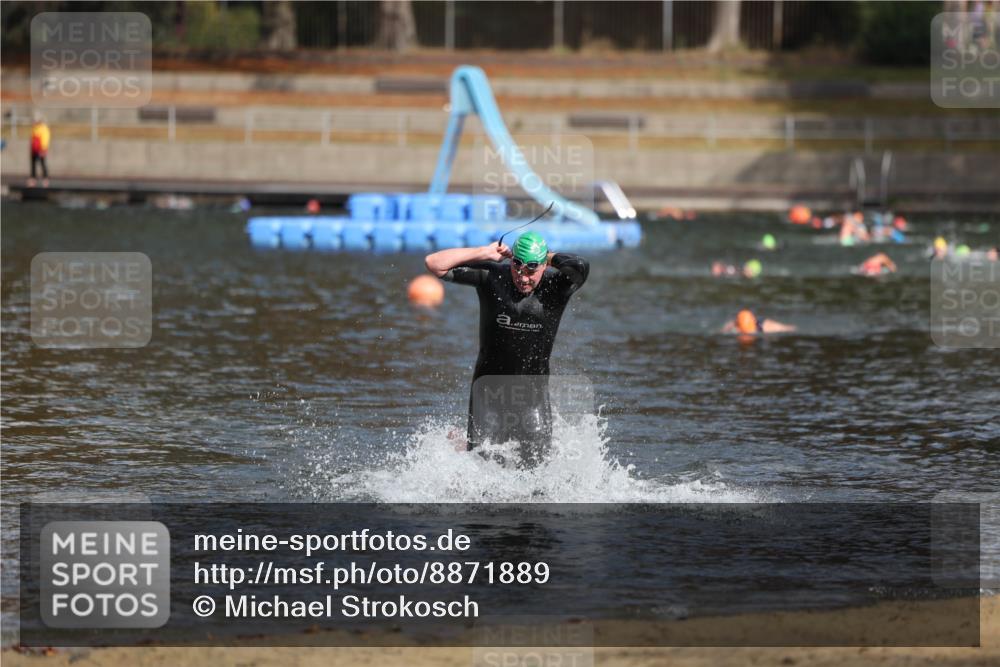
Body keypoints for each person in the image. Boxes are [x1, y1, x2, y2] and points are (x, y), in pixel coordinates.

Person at [424, 232, 589, 468]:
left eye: (531, 269)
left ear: (544, 265)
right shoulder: (492, 277)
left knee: (538, 475)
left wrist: (547, 257)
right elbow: (434, 263)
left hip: (533, 398)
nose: (522, 277)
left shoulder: (557, 287)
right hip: (487, 395)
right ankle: (462, 447)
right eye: (517, 267)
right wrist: (483, 252)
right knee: (482, 474)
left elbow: (581, 266)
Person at [721, 309, 797, 335]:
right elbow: (723, 330)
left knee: (784, 328)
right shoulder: (735, 324)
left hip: (760, 325)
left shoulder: (766, 327)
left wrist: (789, 328)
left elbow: (788, 328)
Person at [28, 113, 50, 187]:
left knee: (42, 163)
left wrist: (43, 149)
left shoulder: (44, 128)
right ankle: (33, 178)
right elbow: (32, 139)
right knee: (33, 164)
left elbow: (45, 139)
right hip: (34, 149)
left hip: (41, 149)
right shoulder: (34, 128)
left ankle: (45, 178)